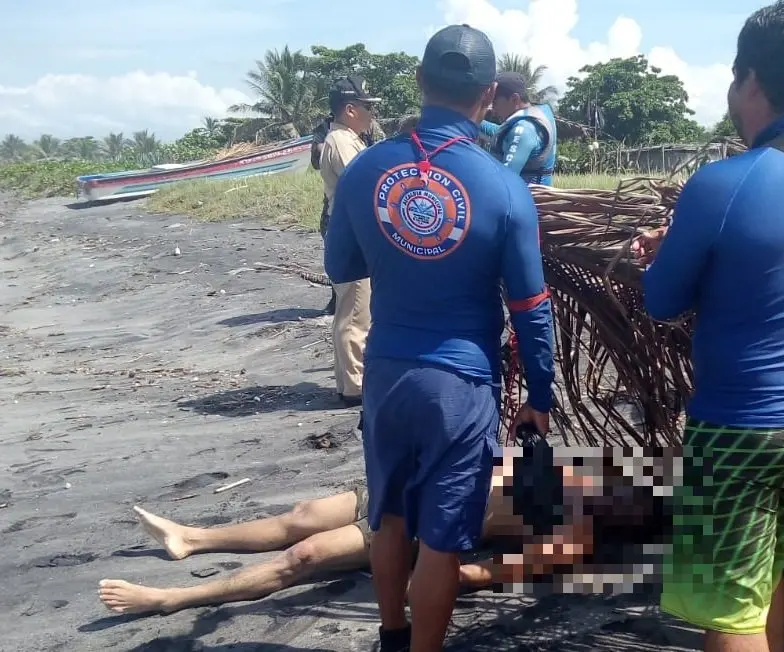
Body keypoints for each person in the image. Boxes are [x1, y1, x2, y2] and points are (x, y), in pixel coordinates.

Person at [632, 2, 784, 651]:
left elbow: (660, 300)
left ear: (751, 82)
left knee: (730, 610)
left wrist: (665, 252)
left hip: (746, 428)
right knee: (766, 571)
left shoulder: (723, 183)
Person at [323, 24, 556, 652]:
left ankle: (393, 637)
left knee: (389, 515)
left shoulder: (366, 168)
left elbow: (341, 267)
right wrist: (541, 392)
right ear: (487, 95)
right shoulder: (505, 188)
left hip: (389, 372)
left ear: (420, 82)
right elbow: (531, 306)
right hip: (461, 381)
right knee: (446, 538)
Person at [96, 448, 672, 615]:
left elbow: (491, 571)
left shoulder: (581, 531)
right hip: (408, 481)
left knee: (305, 555)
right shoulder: (577, 464)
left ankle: (175, 599)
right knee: (300, 515)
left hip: (422, 524)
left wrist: (425, 578)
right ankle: (192, 538)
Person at [319, 76, 380, 408]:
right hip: (350, 234)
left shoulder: (345, 138)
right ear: (350, 108)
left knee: (352, 310)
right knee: (356, 312)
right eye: (367, 107)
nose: (371, 114)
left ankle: (349, 382)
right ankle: (355, 386)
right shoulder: (341, 141)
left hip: (347, 231)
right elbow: (363, 183)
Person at [480, 72, 558, 186]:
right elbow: (502, 135)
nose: (492, 109)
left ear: (514, 99)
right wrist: (470, 120)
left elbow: (505, 181)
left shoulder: (525, 129)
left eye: (495, 102)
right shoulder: (530, 119)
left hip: (530, 200)